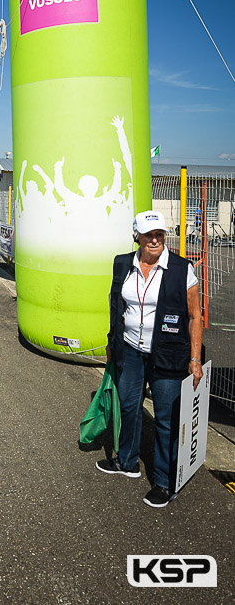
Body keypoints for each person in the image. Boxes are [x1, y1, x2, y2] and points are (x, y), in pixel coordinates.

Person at [97, 210, 203, 508]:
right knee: (129, 406)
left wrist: (194, 357)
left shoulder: (182, 269)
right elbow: (116, 305)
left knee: (166, 419)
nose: (154, 240)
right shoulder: (122, 264)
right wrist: (112, 342)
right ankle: (127, 462)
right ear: (137, 237)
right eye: (148, 235)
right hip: (130, 349)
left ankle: (163, 481)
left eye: (159, 234)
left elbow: (195, 316)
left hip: (168, 354)